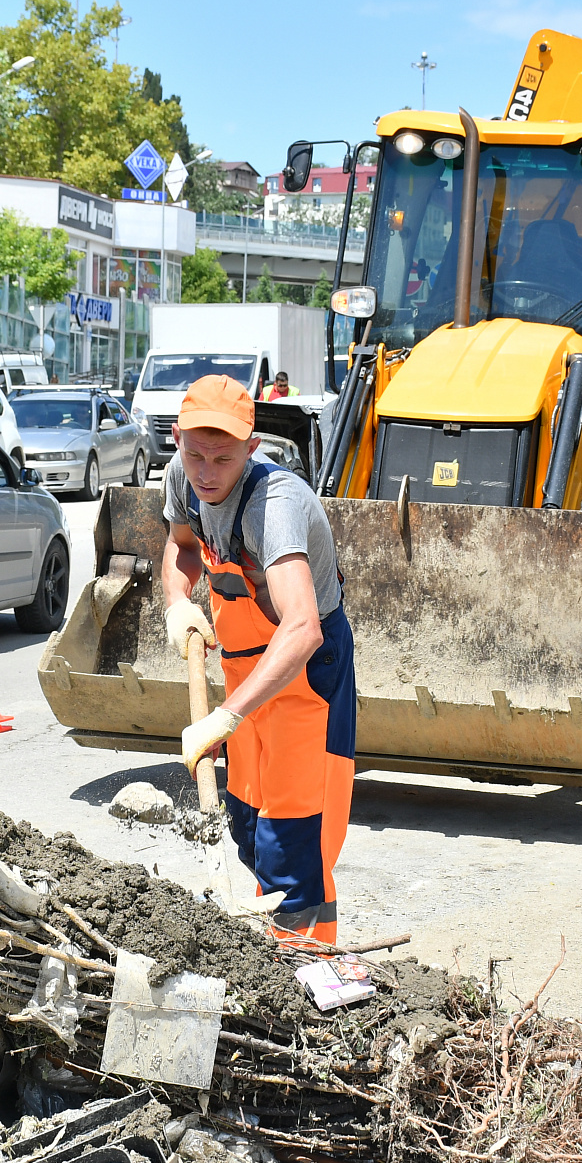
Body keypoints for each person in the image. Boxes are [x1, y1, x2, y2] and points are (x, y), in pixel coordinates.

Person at [162, 375, 354, 945]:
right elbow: (183, 545)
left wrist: (224, 718)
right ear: (176, 439)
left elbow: (302, 629)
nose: (206, 471)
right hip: (246, 675)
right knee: (248, 827)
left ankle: (305, 975)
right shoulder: (183, 476)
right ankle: (270, 954)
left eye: (223, 458)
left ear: (252, 448)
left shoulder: (274, 505)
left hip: (305, 685)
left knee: (293, 844)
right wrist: (178, 603)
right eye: (194, 454)